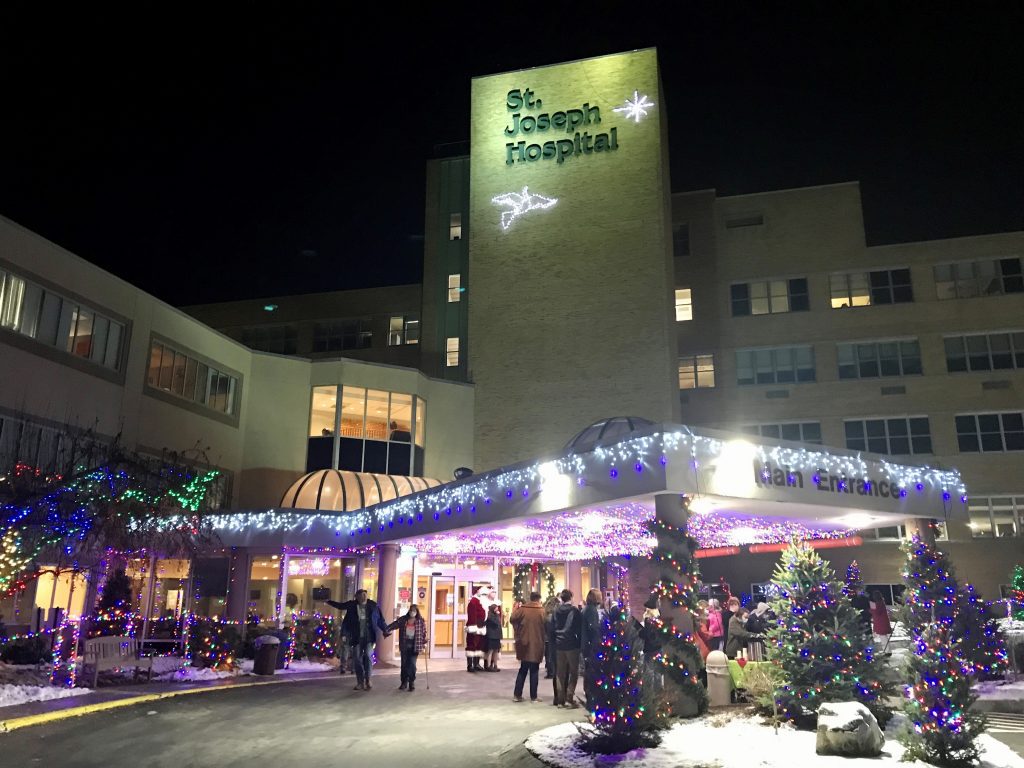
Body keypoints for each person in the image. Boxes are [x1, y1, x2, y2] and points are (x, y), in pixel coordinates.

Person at [325, 590, 391, 690]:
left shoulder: (373, 606)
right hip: (356, 637)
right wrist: (328, 601)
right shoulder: (352, 606)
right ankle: (360, 682)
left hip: (369, 637)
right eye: (361, 595)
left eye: (365, 595)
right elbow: (341, 607)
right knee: (357, 659)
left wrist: (385, 630)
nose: (364, 597)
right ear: (357, 597)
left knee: (368, 655)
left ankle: (368, 679)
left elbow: (380, 620)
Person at [510, 591, 546, 702]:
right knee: (534, 670)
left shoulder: (523, 609)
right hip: (537, 643)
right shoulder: (542, 611)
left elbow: (512, 618)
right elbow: (546, 625)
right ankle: (533, 697)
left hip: (524, 643)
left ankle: (517, 695)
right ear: (539, 599)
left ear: (530, 598)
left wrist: (518, 628)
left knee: (523, 669)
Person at [551, 589, 582, 708]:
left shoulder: (556, 611)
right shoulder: (574, 611)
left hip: (559, 645)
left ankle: (560, 700)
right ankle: (569, 698)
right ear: (571, 598)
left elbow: (552, 627)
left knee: (560, 673)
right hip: (572, 645)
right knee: (574, 673)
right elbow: (579, 629)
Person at [386, 605, 427, 691]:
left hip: (415, 646)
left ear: (417, 612)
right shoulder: (404, 619)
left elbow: (423, 633)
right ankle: (404, 682)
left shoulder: (420, 621)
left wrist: (424, 642)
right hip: (405, 645)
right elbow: (395, 624)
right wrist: (387, 628)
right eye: (411, 610)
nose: (412, 612)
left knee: (412, 665)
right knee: (404, 665)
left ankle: (411, 682)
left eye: (414, 611)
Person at [580, 589, 604, 709]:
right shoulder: (591, 610)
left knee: (588, 670)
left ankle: (588, 694)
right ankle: (590, 697)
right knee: (591, 671)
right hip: (591, 645)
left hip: (585, 644)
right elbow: (593, 628)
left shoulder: (586, 609)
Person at [465, 585, 489, 672]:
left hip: (481, 627)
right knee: (471, 645)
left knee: (479, 646)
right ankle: (470, 665)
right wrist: (473, 627)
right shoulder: (473, 602)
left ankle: (476, 664)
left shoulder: (482, 602)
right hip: (474, 626)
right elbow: (472, 615)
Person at [542, 594, 559, 679]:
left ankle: (550, 671)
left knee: (548, 655)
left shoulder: (546, 615)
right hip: (552, 638)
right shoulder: (554, 616)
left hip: (546, 638)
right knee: (552, 655)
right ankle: (552, 671)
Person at [484, 602, 503, 671]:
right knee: (490, 651)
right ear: (493, 609)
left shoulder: (496, 615)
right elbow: (495, 623)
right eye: (496, 609)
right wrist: (497, 615)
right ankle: (488, 665)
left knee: (496, 651)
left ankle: (495, 665)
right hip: (491, 636)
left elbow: (499, 625)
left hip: (496, 636)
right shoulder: (490, 616)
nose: (497, 610)